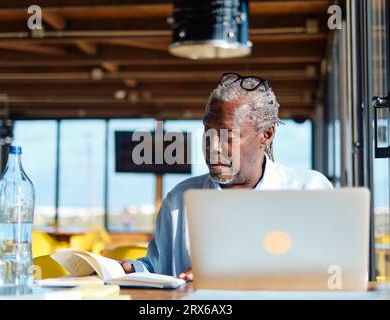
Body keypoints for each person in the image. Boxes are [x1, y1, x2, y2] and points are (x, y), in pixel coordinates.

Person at [119, 73, 333, 280]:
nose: (212, 146)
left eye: (227, 135)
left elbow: (332, 274)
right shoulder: (180, 199)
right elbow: (159, 269)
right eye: (207, 132)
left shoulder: (309, 191)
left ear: (266, 134)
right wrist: (133, 269)